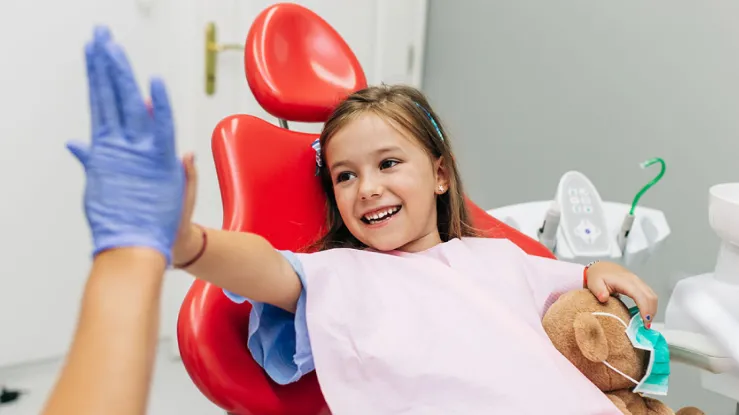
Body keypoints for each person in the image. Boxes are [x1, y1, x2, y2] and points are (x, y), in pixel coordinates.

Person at [48, 25, 659, 414]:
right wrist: (186, 242)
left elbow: (572, 289)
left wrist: (599, 269)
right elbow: (267, 268)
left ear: (441, 174)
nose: (367, 188)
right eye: (344, 176)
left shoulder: (499, 258)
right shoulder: (345, 275)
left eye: (388, 163)